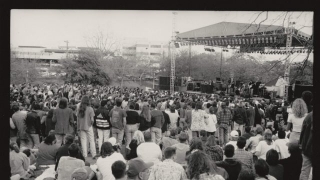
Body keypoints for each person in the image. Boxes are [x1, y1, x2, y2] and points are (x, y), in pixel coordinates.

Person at [299, 111, 313, 180]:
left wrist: (301, 144)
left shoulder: (309, 116)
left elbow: (302, 132)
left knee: (304, 171)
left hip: (307, 148)